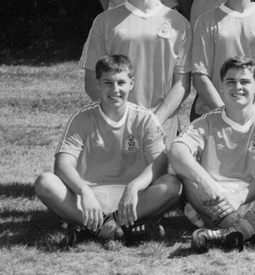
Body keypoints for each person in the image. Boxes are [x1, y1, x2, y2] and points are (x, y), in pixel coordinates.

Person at [34, 55, 182, 246]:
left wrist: (134, 187)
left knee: (173, 185)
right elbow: (62, 164)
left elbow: (159, 164)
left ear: (131, 84)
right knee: (45, 182)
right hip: (90, 198)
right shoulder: (81, 118)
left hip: (132, 199)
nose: (115, 89)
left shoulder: (146, 119)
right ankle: (122, 227)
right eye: (108, 83)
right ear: (98, 84)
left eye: (121, 82)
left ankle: (96, 227)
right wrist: (84, 191)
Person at [168, 57, 255, 252]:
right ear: (221, 87)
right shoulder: (206, 122)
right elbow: (176, 151)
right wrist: (207, 183)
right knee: (189, 177)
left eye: (244, 82)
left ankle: (233, 232)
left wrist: (238, 198)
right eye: (231, 82)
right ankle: (252, 232)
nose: (237, 87)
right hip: (217, 203)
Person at [79, 0, 191, 139]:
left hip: (162, 125)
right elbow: (91, 80)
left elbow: (182, 83)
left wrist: (155, 120)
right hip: (118, 125)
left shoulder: (178, 23)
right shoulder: (105, 22)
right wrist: (119, 116)